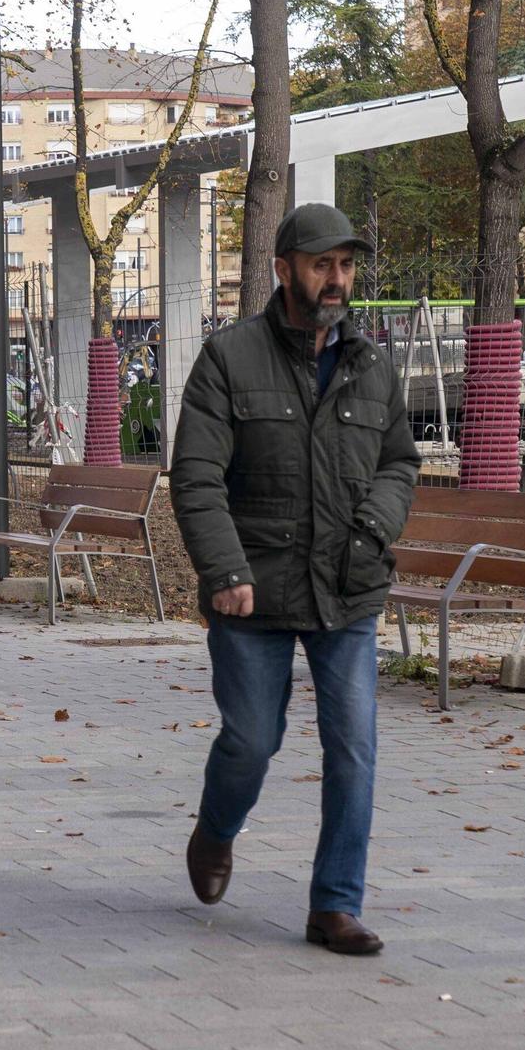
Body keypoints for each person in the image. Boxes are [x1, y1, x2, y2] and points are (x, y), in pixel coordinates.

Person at [170, 203, 420, 956]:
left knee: (354, 748)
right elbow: (196, 477)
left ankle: (334, 906)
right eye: (322, 265)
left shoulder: (372, 364)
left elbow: (399, 462)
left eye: (346, 265)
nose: (336, 279)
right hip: (252, 586)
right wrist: (223, 570)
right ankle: (216, 831)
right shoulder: (229, 357)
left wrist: (374, 529)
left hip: (347, 587)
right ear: (284, 270)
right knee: (252, 739)